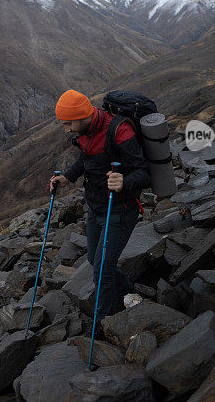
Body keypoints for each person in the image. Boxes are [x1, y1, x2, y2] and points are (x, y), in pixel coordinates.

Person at [50, 89, 151, 324]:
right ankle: (129, 293)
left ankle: (104, 322)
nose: (66, 130)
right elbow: (87, 157)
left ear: (82, 116)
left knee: (102, 272)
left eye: (68, 124)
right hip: (96, 209)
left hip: (120, 210)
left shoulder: (119, 131)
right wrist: (67, 177)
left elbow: (144, 172)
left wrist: (124, 181)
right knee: (95, 261)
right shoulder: (86, 131)